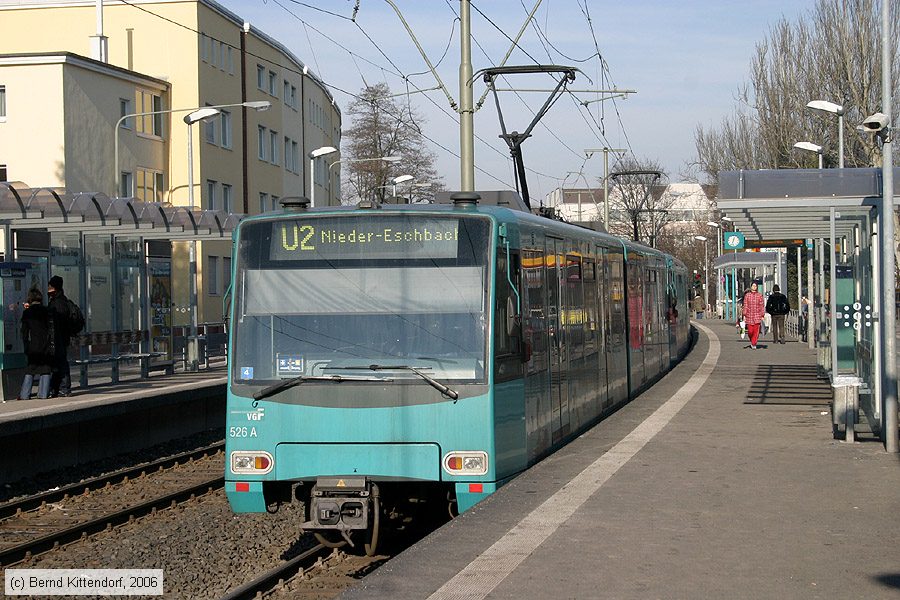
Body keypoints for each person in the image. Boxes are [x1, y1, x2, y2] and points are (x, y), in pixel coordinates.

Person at [18, 288, 54, 400]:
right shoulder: (46, 311)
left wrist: (26, 345)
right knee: (45, 369)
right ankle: (43, 394)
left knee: (31, 369)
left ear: (30, 298)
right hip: (46, 344)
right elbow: (51, 329)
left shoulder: (27, 313)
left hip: (33, 345)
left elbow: (24, 332)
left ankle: (25, 394)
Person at [47, 275, 73, 397]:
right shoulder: (61, 300)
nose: (48, 289)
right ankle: (57, 388)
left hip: (59, 338)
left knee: (61, 363)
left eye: (50, 286)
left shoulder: (58, 303)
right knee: (58, 363)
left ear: (54, 288)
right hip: (61, 337)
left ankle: (64, 388)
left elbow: (58, 322)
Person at [742, 281, 765, 349]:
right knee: (750, 331)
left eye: (755, 286)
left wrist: (762, 315)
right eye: (753, 286)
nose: (754, 287)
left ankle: (754, 343)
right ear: (751, 286)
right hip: (749, 315)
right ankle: (752, 340)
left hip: (757, 315)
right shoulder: (747, 295)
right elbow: (745, 305)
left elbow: (762, 306)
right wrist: (744, 314)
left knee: (756, 331)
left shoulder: (759, 295)